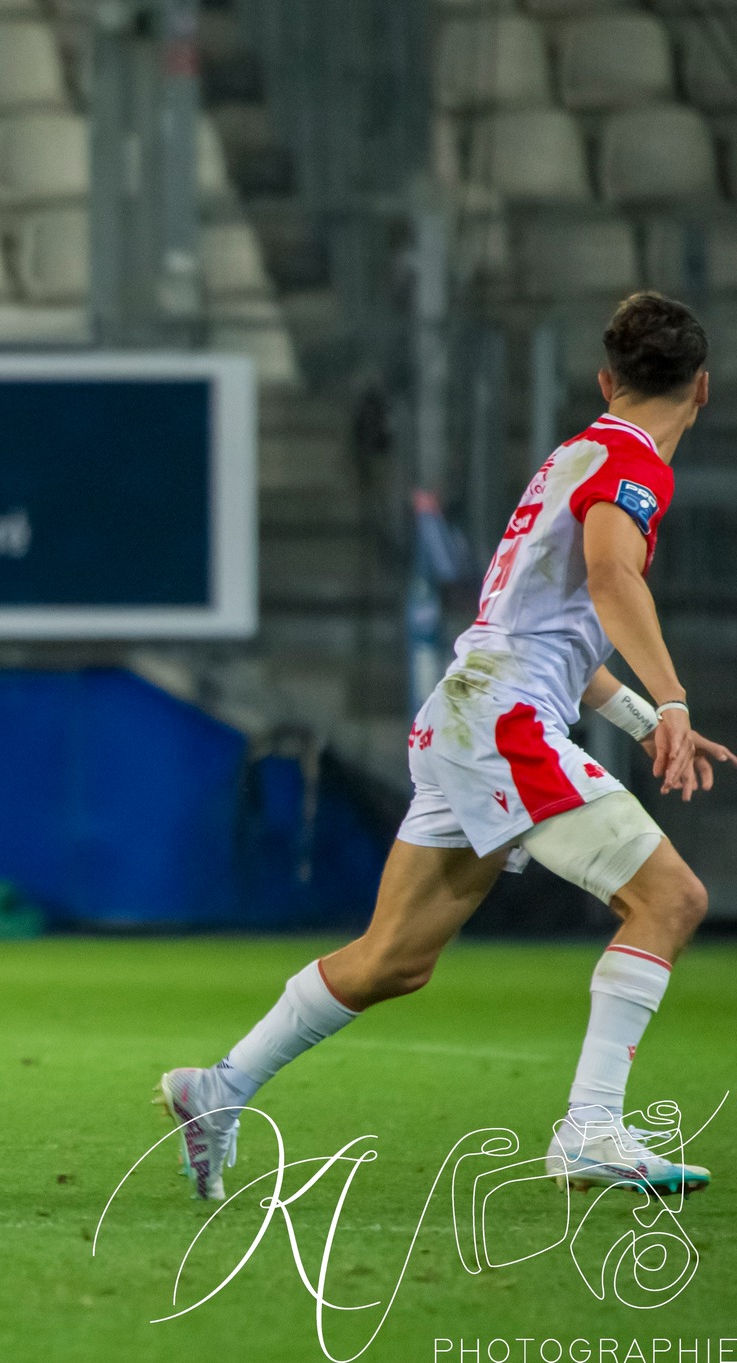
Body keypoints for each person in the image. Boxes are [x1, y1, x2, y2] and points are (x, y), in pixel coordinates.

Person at [161, 292, 731, 1200]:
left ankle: (218, 1087)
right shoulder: (632, 466)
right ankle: (590, 1128)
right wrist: (671, 699)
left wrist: (640, 719)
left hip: (467, 712)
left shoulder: (576, 456)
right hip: (503, 720)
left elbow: (554, 630)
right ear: (702, 388)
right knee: (671, 898)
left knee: (394, 959)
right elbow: (610, 576)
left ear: (604, 380)